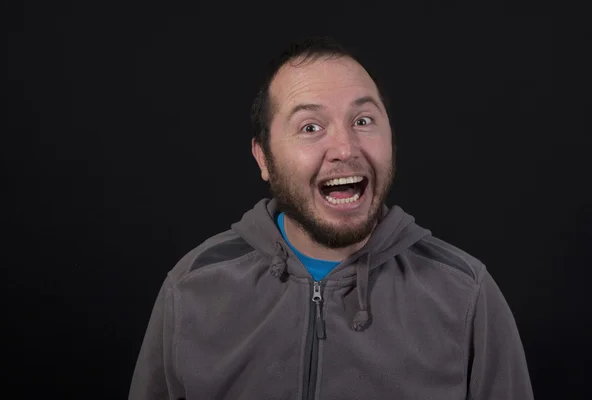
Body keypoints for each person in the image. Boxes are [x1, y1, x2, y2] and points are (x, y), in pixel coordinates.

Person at [129, 36, 534, 400]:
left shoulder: (466, 294)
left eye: (362, 121)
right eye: (310, 126)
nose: (345, 147)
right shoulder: (192, 287)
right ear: (263, 158)